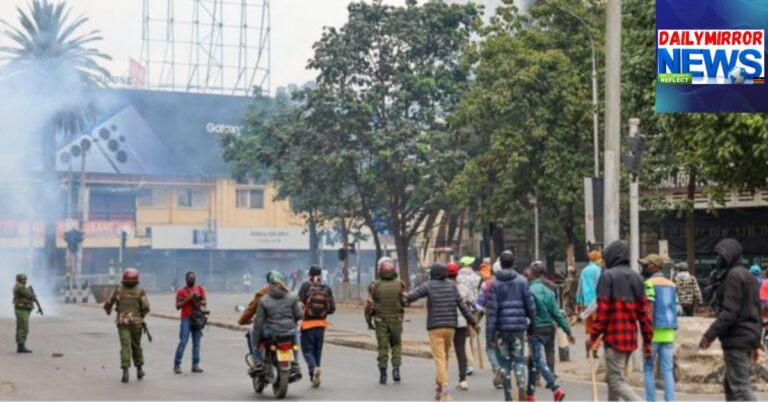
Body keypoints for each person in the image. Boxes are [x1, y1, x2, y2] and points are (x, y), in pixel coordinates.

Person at [587, 241, 652, 402]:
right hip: (630, 338)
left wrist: (593, 337)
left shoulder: (607, 277)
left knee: (616, 381)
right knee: (613, 380)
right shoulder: (637, 278)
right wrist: (647, 342)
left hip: (614, 339)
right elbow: (644, 315)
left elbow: (602, 313)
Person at [699, 239, 762, 401]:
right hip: (745, 338)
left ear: (729, 256)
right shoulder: (747, 276)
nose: (717, 260)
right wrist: (754, 343)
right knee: (730, 388)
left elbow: (730, 313)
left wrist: (709, 335)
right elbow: (755, 311)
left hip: (737, 339)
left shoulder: (733, 276)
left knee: (740, 389)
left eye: (720, 256)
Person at [406, 262, 477, 402]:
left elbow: (412, 296)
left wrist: (402, 297)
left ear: (432, 273)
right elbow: (462, 306)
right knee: (444, 357)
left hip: (435, 327)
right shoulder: (452, 286)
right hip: (451, 327)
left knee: (439, 358)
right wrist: (473, 322)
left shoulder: (428, 285)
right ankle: (439, 387)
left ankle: (445, 389)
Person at [486, 250, 536, 402]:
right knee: (519, 360)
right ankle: (521, 384)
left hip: (501, 330)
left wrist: (490, 336)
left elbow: (492, 312)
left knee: (504, 363)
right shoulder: (522, 281)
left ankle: (508, 394)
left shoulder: (495, 284)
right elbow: (530, 306)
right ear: (514, 263)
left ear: (500, 264)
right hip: (518, 328)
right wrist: (532, 325)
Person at [525, 261, 573, 402]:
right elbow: (557, 313)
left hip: (536, 329)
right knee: (534, 361)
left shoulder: (528, 290)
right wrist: (567, 330)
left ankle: (555, 387)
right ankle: (530, 394)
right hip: (549, 327)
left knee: (537, 359)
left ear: (533, 274)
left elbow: (526, 312)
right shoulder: (549, 291)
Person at [251, 271, 303, 380]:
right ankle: (295, 362)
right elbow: (299, 315)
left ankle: (258, 362)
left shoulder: (264, 300)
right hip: (289, 331)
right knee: (296, 333)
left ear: (269, 284)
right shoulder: (292, 297)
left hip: (272, 332)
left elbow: (259, 323)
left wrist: (255, 343)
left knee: (252, 332)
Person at [640, 254, 678, 402]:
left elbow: (649, 310)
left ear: (655, 266)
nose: (643, 268)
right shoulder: (672, 284)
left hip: (653, 332)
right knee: (667, 370)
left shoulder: (649, 283)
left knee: (648, 369)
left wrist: (646, 335)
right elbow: (677, 308)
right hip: (669, 332)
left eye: (646, 265)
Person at [103, 268, 151, 383]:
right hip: (136, 322)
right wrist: (141, 317)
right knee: (136, 345)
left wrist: (108, 310)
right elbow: (146, 307)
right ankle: (139, 370)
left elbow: (108, 304)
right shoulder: (140, 291)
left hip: (122, 322)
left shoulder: (118, 290)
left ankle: (125, 372)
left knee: (125, 346)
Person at [367, 257, 406, 385]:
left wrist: (369, 321)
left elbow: (370, 304)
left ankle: (383, 374)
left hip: (380, 320)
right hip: (396, 320)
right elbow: (404, 302)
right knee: (396, 345)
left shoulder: (374, 285)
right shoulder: (400, 284)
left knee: (382, 347)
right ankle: (396, 370)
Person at [298, 265, 336, 387]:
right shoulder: (326, 288)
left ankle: (313, 368)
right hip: (321, 325)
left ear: (309, 275)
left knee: (307, 351)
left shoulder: (305, 286)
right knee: (317, 351)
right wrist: (322, 313)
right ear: (320, 275)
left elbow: (298, 304)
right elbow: (332, 308)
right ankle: (314, 374)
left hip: (307, 324)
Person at [476, 258, 503, 389]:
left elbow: (479, 306)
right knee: (505, 348)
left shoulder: (486, 284)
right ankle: (506, 373)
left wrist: (474, 321)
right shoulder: (517, 282)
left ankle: (496, 368)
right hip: (509, 322)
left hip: (492, 321)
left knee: (491, 347)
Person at [174, 271, 207, 374]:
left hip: (196, 318)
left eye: (193, 278)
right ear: (186, 279)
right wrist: (188, 299)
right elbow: (178, 306)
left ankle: (195, 365)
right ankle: (177, 364)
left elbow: (204, 302)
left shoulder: (199, 289)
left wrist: (198, 299)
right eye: (189, 278)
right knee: (183, 341)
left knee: (196, 343)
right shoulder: (181, 291)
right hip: (186, 318)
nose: (191, 280)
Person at [457, 257, 481, 378]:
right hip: (473, 309)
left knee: (465, 337)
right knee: (470, 336)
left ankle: (469, 363)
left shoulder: (458, 278)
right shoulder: (476, 277)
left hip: (461, 309)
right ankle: (469, 360)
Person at [578, 250, 603, 357]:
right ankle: (595, 349)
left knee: (590, 328)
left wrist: (579, 302)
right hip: (596, 303)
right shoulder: (598, 270)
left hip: (586, 303)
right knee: (599, 328)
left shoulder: (584, 270)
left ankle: (588, 348)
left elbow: (579, 288)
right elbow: (600, 287)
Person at [13, 273, 41, 354]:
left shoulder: (20, 286)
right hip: (22, 310)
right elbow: (30, 295)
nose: (25, 281)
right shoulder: (20, 287)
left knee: (21, 327)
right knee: (24, 327)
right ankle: (21, 346)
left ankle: (20, 345)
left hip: (23, 309)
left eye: (25, 279)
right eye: (23, 279)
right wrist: (32, 294)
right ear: (19, 280)